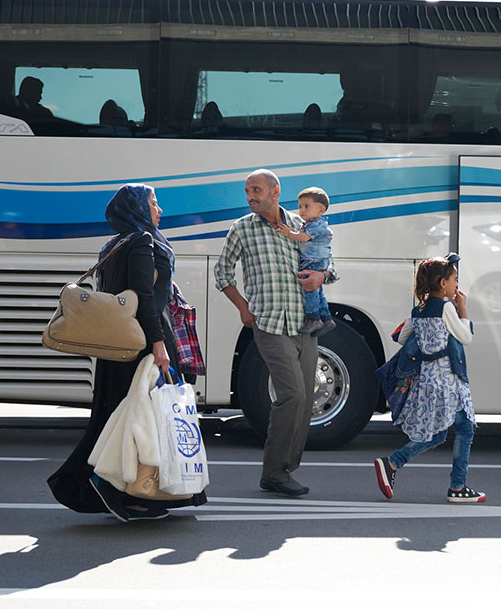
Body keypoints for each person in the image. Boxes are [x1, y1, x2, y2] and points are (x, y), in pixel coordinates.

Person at [47, 184, 206, 521]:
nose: (159, 210)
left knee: (117, 418)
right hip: (143, 345)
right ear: (136, 209)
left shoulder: (114, 245)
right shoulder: (142, 242)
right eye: (152, 203)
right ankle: (131, 493)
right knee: (145, 421)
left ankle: (109, 485)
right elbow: (144, 297)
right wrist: (159, 344)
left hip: (119, 347)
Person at [214, 169, 337, 497]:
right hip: (268, 324)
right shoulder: (242, 228)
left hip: (305, 323)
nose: (250, 196)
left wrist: (320, 278)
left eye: (256, 189)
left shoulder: (303, 225)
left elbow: (330, 264)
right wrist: (243, 307)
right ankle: (276, 472)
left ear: (275, 191)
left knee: (305, 399)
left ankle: (284, 470)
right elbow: (222, 272)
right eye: (247, 191)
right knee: (292, 395)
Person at [373, 255, 485, 503]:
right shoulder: (445, 307)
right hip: (448, 381)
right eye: (455, 279)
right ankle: (457, 487)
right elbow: (465, 337)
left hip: (427, 380)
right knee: (465, 430)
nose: (457, 284)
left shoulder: (419, 309)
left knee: (437, 434)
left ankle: (393, 464)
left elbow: (402, 338)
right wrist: (463, 310)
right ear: (443, 283)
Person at [274, 187, 335, 335]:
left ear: (320, 210)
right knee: (318, 292)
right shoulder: (310, 223)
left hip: (313, 261)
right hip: (315, 260)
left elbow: (304, 238)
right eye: (300, 206)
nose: (301, 210)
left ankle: (313, 318)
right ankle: (327, 319)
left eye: (306, 206)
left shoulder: (316, 225)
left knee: (309, 290)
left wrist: (289, 233)